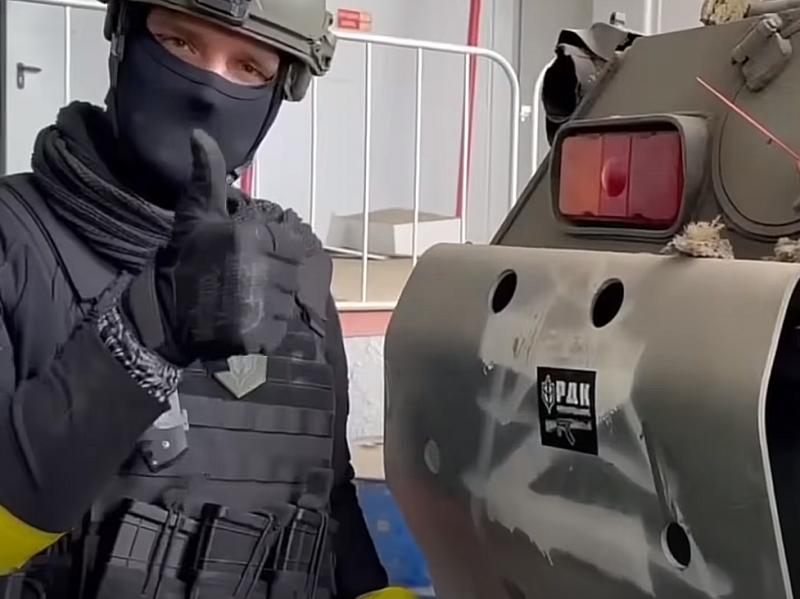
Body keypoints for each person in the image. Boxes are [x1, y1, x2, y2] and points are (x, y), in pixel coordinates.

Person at [0, 0, 415, 597]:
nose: (207, 90)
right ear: (123, 37)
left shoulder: (292, 272)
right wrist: (147, 334)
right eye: (180, 43)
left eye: (249, 67)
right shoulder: (13, 243)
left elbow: (331, 513)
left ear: (280, 92)